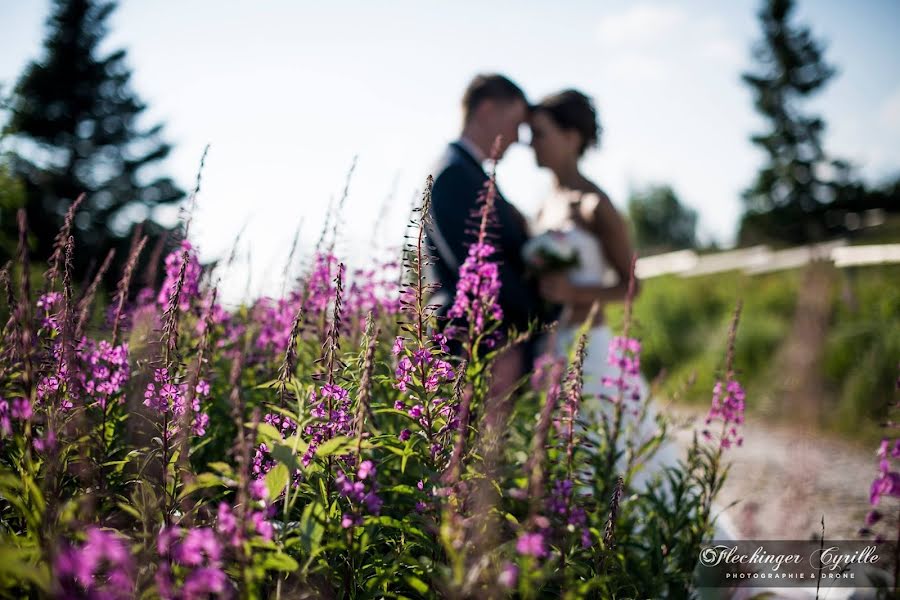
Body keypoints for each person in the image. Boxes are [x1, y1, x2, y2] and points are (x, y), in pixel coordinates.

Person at [425, 73, 545, 386]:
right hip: (472, 349)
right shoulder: (454, 174)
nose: (519, 138)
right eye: (516, 124)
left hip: (491, 346)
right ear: (487, 110)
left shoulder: (469, 171)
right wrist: (543, 305)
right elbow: (477, 268)